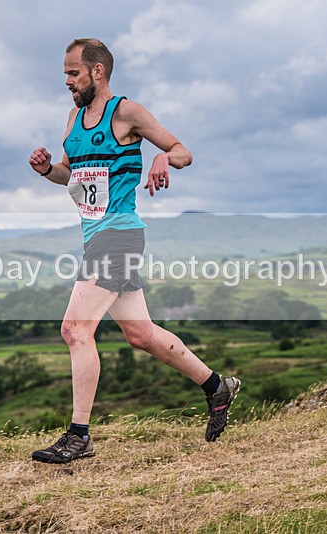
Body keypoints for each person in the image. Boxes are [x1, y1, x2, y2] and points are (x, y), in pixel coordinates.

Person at [28, 38, 240, 464]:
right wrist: (48, 169)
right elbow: (74, 176)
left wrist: (164, 161)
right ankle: (216, 385)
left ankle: (79, 436)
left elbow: (182, 150)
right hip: (96, 237)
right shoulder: (72, 119)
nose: (67, 80)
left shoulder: (126, 112)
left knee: (75, 330)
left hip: (120, 236)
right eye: (66, 73)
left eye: (74, 73)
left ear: (98, 72)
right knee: (140, 334)